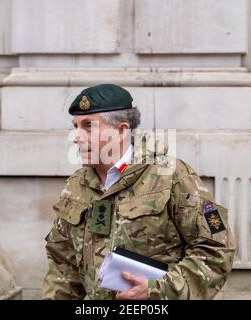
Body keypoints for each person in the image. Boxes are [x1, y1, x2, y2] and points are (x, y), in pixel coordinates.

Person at [42, 84, 236, 300]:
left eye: (88, 126)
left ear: (122, 130)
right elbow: (63, 268)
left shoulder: (172, 177)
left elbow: (217, 249)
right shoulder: (76, 186)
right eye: (75, 126)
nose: (76, 137)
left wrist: (157, 290)